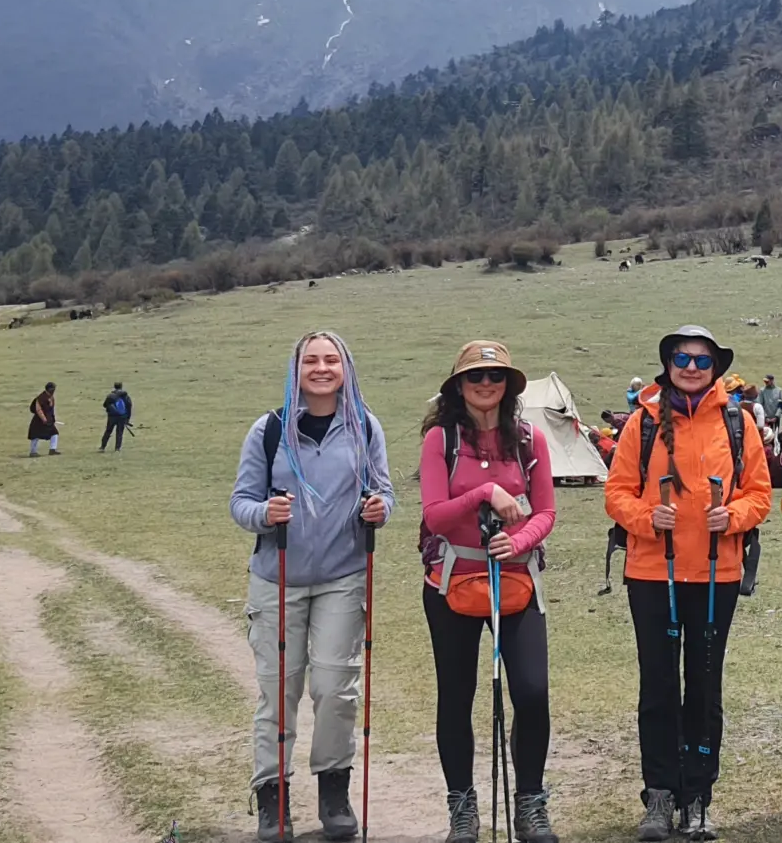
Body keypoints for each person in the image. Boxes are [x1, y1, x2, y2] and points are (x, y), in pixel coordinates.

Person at [604, 326, 772, 842]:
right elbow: (616, 492)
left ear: (715, 367)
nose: (692, 367)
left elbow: (760, 492)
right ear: (668, 363)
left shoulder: (738, 422)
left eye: (702, 360)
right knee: (657, 685)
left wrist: (735, 515)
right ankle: (659, 793)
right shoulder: (643, 422)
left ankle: (698, 794)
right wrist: (647, 517)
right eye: (682, 358)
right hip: (654, 573)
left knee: (703, 687)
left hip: (717, 574)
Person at [229, 332, 393, 842]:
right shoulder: (270, 429)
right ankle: (272, 797)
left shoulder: (364, 425)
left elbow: (385, 493)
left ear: (346, 367)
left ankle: (334, 790)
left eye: (332, 360)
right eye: (311, 360)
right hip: (277, 578)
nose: (322, 368)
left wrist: (379, 510)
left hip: (343, 577)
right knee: (279, 692)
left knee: (335, 688)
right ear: (295, 369)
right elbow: (241, 502)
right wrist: (265, 513)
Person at [418, 341, 559, 843]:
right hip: (451, 582)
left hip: (516, 579)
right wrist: (485, 494)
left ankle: (531, 803)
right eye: (475, 376)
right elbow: (434, 514)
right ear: (458, 384)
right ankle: (462, 807)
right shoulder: (441, 440)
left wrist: (516, 540)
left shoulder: (529, 440)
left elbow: (545, 512)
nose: (485, 384)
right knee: (456, 696)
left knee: (532, 693)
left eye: (495, 375)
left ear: (508, 384)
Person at [28, 383, 60, 456]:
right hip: (38, 421)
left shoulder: (51, 397)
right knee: (35, 435)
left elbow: (51, 410)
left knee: (54, 433)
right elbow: (38, 409)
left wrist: (52, 419)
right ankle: (33, 452)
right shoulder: (41, 398)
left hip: (48, 420)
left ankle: (52, 449)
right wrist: (44, 419)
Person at [101, 382, 134, 452]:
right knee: (119, 433)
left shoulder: (110, 396)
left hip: (112, 417)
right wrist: (127, 418)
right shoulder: (126, 396)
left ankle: (102, 447)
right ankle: (117, 448)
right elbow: (129, 407)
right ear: (121, 387)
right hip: (122, 417)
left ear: (114, 387)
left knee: (108, 431)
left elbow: (104, 405)